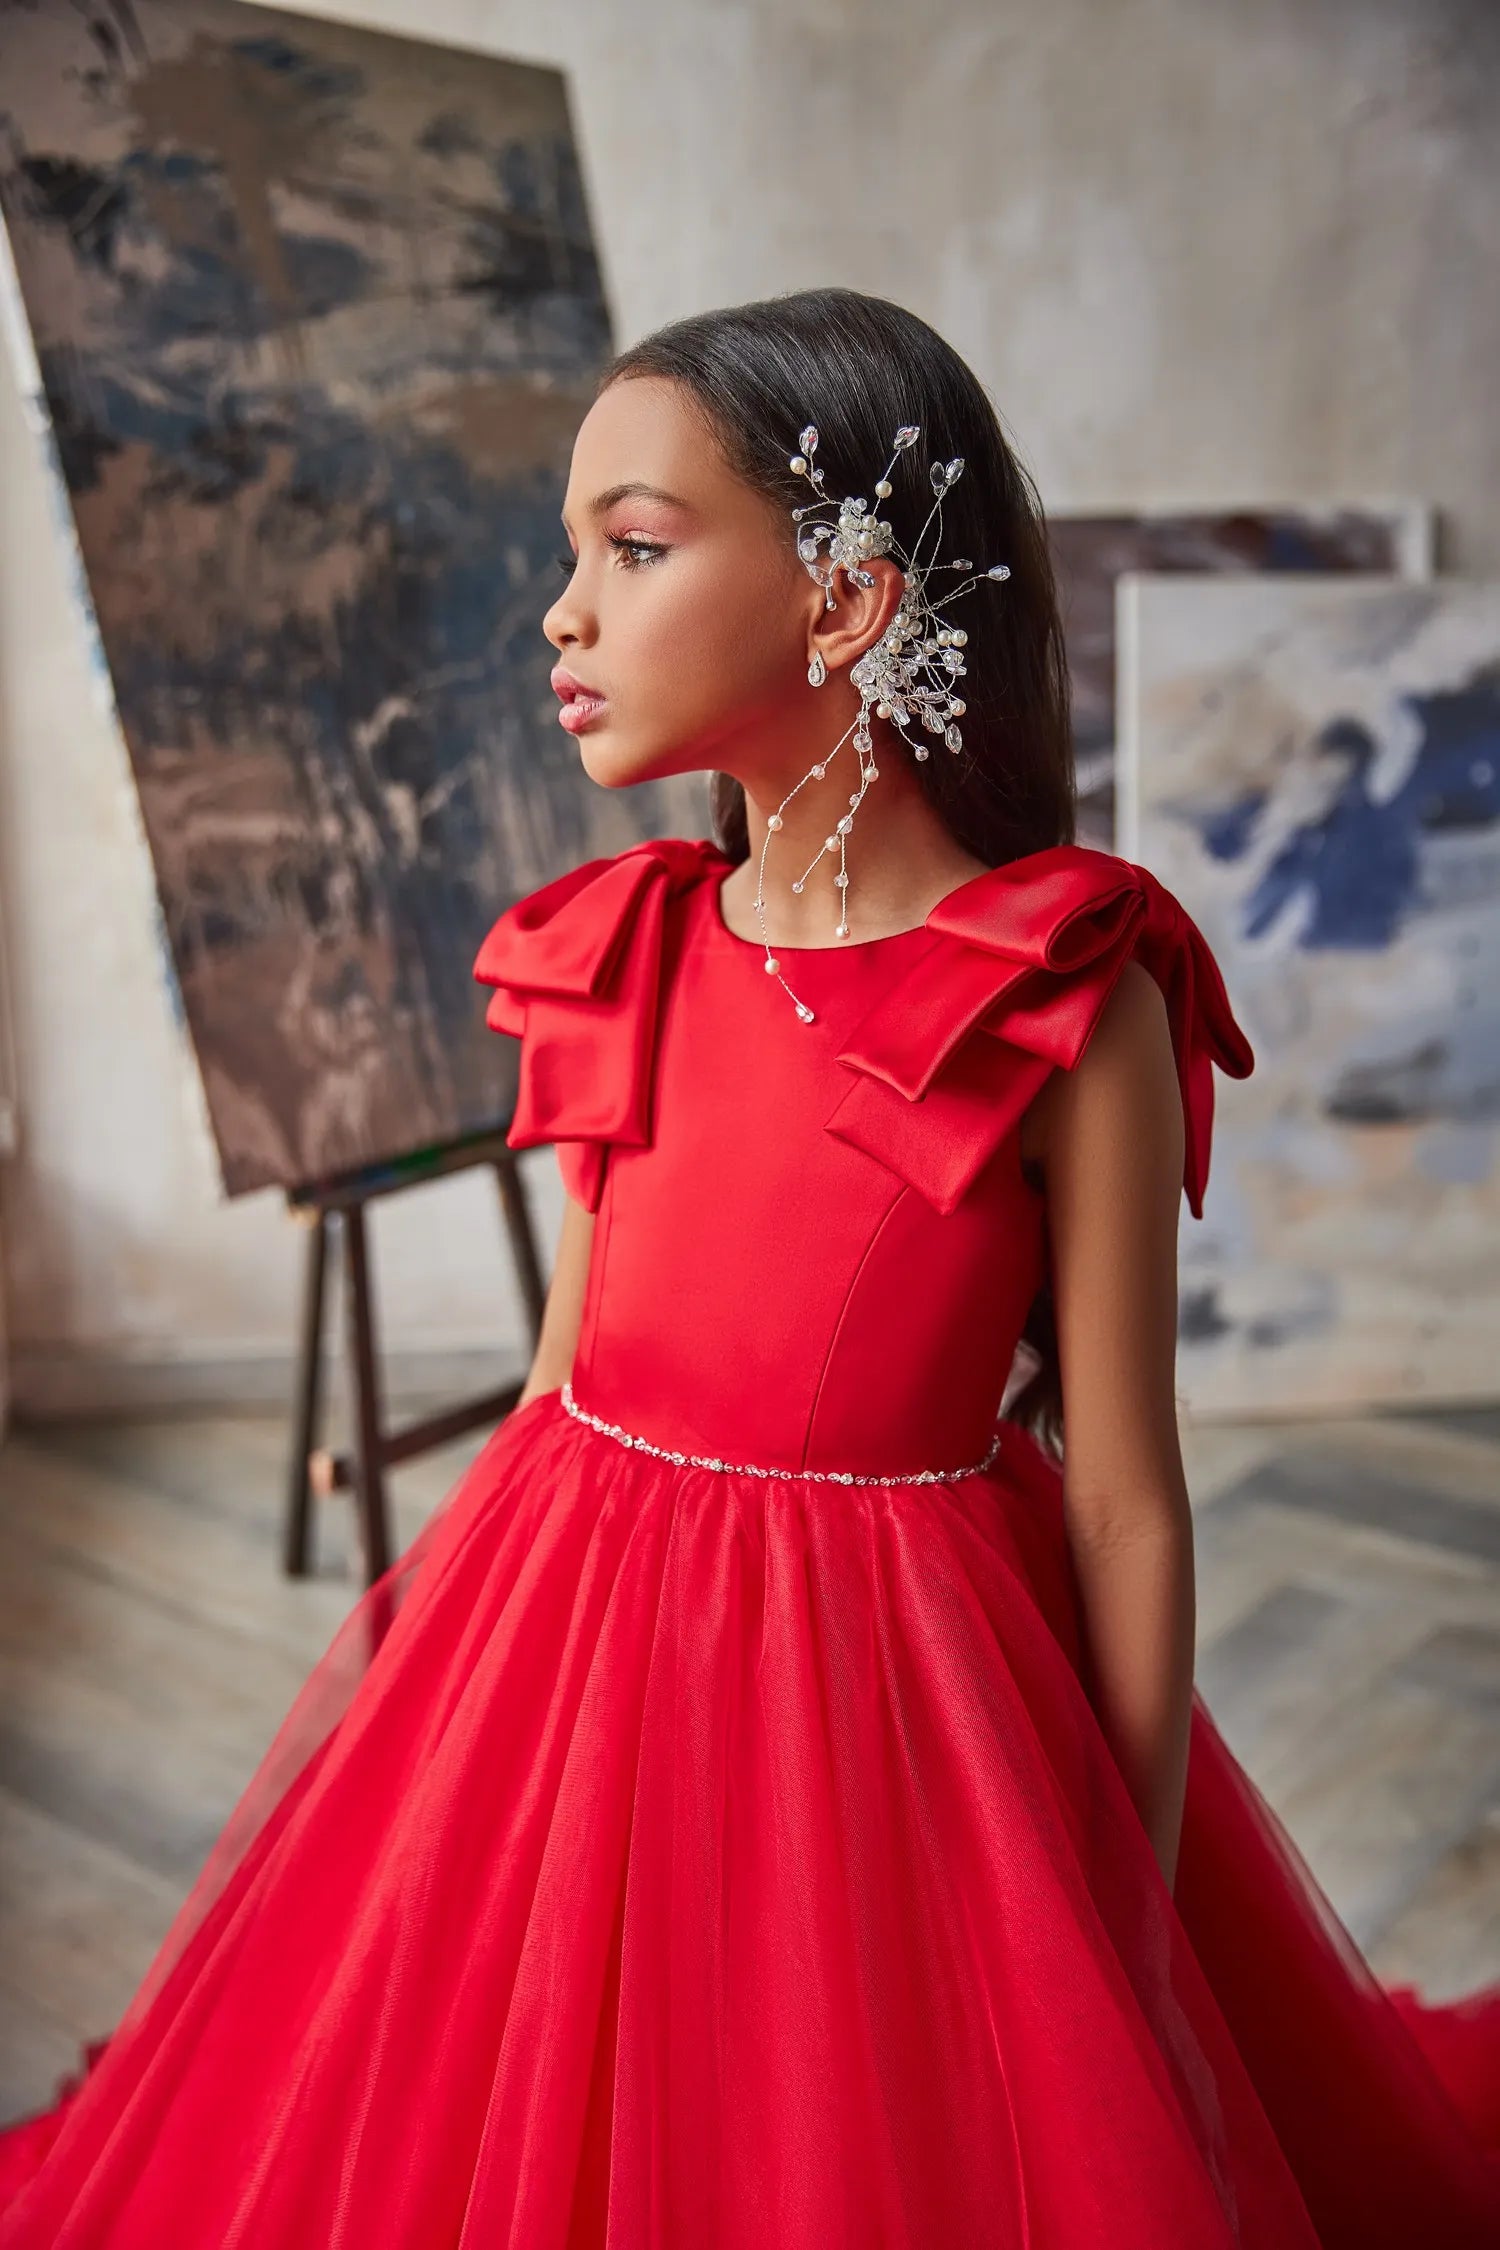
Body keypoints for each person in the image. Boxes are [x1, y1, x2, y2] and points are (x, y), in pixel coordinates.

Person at [1, 287, 1496, 2247]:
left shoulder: (1060, 996)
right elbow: (564, 1381)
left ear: (846, 602)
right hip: (573, 1641)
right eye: (572, 554)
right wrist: (441, 1738)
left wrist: (1130, 1917)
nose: (563, 613)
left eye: (632, 548)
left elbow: (1126, 1497)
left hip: (889, 1710)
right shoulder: (623, 950)